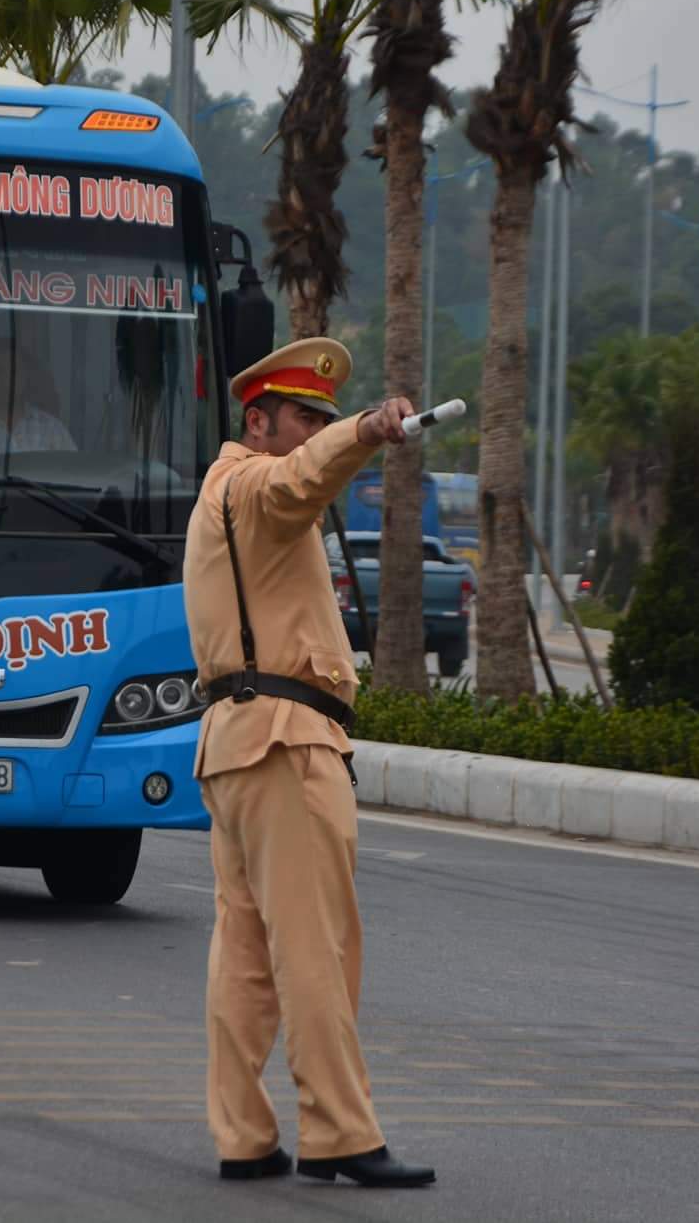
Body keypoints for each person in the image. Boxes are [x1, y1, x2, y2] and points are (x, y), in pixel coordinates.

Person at [181, 336, 435, 1189]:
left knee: (247, 954)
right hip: (285, 742)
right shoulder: (253, 486)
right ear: (256, 422)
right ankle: (337, 1131)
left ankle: (244, 1133)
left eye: (323, 419)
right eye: (302, 417)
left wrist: (341, 437)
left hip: (241, 740)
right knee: (315, 946)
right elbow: (296, 480)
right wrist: (363, 429)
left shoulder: (229, 496)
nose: (312, 433)